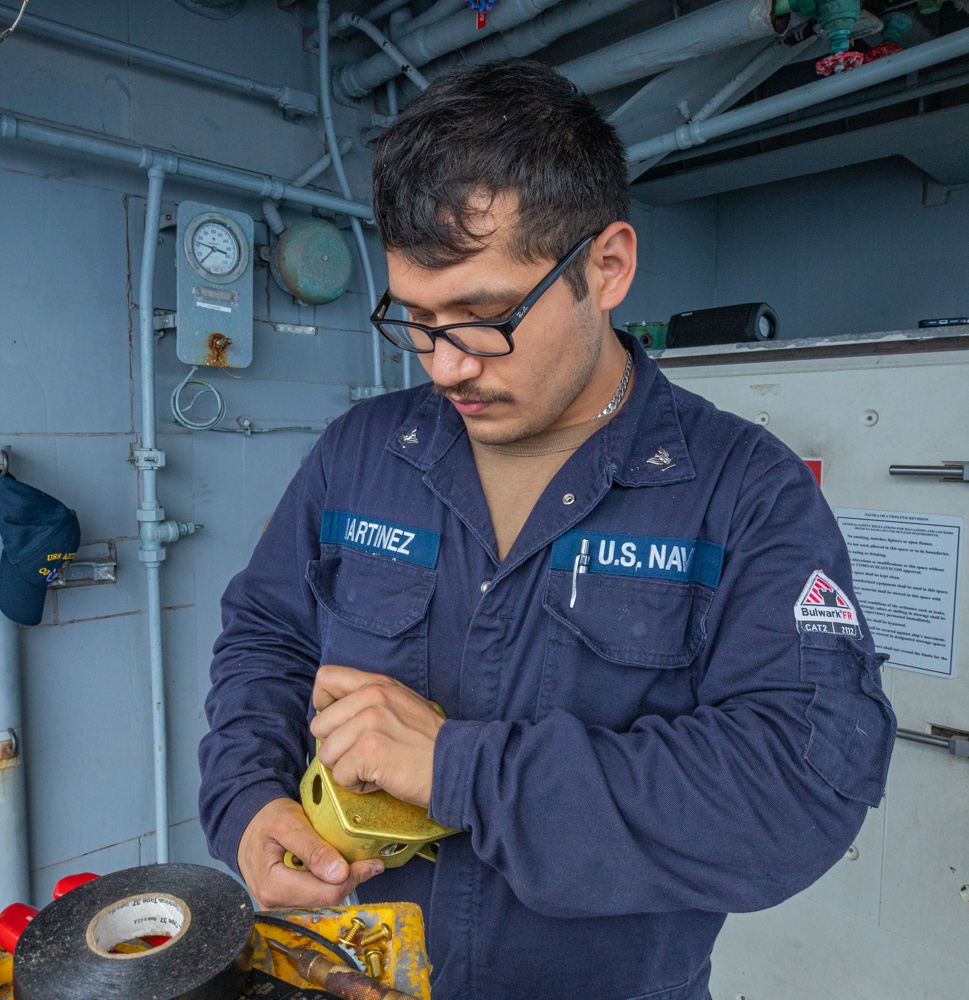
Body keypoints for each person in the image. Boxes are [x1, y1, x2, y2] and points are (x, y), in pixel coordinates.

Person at [199, 60, 895, 1000]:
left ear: (605, 267)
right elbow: (266, 640)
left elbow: (798, 787)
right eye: (417, 319)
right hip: (344, 974)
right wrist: (249, 801)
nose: (445, 365)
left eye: (485, 318)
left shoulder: (743, 493)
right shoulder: (362, 452)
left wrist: (461, 769)